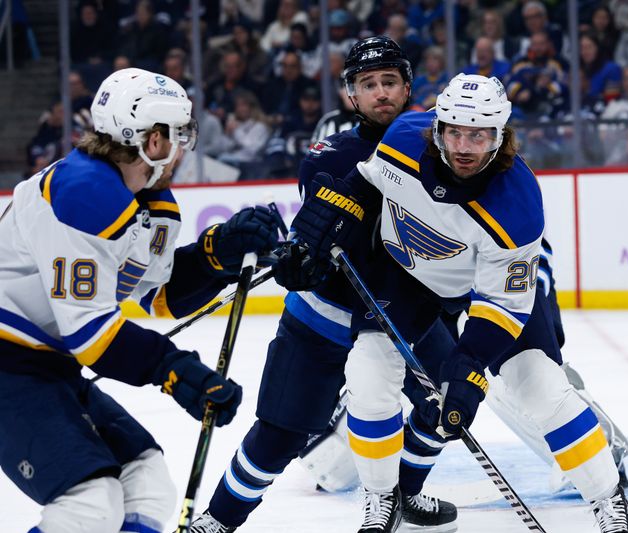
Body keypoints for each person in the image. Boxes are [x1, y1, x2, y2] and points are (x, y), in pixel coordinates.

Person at [290, 73, 628, 533]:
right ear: (437, 127)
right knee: (369, 374)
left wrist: (469, 366)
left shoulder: (518, 203)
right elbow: (364, 186)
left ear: (501, 135)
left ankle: (607, 501)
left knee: (538, 383)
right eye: (454, 131)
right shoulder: (402, 140)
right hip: (410, 273)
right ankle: (382, 500)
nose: (464, 147)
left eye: (479, 135)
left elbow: (503, 305)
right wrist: (321, 224)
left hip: (487, 287)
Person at [189, 36, 457, 533]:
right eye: (367, 84)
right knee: (280, 434)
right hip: (327, 314)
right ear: (351, 95)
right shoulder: (328, 156)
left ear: (407, 87)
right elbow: (322, 222)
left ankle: (402, 495)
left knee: (451, 404)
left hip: (405, 313)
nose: (380, 93)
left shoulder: (442, 147)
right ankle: (217, 521)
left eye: (389, 82)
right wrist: (305, 257)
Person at [0, 68, 282, 533]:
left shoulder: (147, 199)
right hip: (10, 367)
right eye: (180, 132)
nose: (186, 144)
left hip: (47, 368)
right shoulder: (82, 192)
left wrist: (217, 256)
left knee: (148, 484)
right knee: (89, 503)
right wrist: (172, 369)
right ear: (152, 139)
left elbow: (157, 297)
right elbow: (92, 337)